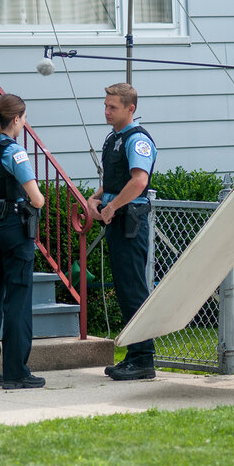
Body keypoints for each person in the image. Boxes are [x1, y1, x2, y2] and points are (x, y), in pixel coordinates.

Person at [0, 93, 46, 389]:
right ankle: (16, 372)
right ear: (15, 119)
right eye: (24, 118)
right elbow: (37, 199)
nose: (25, 124)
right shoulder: (14, 153)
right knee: (17, 299)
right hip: (13, 229)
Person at [88, 83, 157, 381]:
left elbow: (139, 181)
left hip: (129, 220)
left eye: (112, 107)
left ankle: (143, 358)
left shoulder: (137, 139)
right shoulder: (114, 138)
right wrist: (96, 197)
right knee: (125, 288)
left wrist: (112, 205)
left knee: (133, 290)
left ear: (130, 108)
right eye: (105, 105)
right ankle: (133, 353)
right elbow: (116, 178)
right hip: (116, 218)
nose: (106, 111)